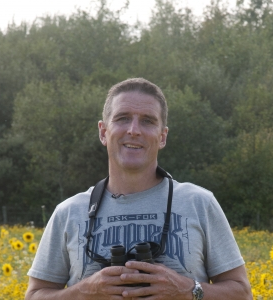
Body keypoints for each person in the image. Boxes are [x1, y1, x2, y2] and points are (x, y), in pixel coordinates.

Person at [25, 78, 253, 300]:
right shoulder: (69, 212)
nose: (134, 130)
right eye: (122, 118)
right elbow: (35, 295)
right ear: (103, 132)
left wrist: (186, 290)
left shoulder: (199, 203)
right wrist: (83, 293)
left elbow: (242, 294)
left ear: (162, 136)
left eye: (147, 121)